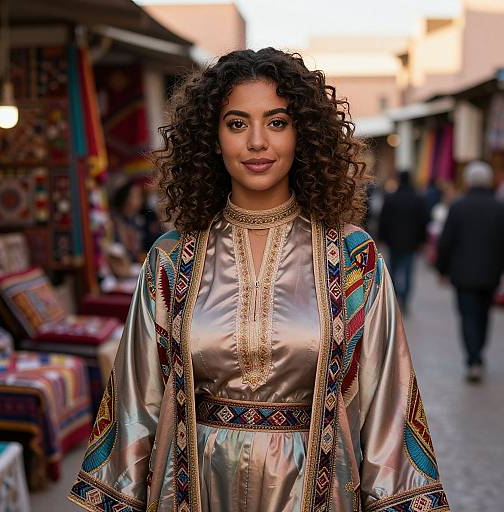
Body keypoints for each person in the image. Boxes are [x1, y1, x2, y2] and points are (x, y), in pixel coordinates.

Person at [69, 49, 449, 512]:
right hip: (195, 489)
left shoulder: (354, 259)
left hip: (318, 492)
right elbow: (135, 398)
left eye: (276, 122)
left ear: (303, 134)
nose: (256, 142)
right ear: (211, 137)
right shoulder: (170, 260)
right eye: (235, 124)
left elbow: (387, 401)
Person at [436, 160, 504, 382]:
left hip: (463, 273)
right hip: (490, 273)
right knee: (484, 315)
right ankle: (478, 354)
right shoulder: (498, 207)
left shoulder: (458, 206)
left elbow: (446, 241)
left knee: (468, 316)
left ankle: (473, 358)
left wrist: (442, 269)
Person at [377, 171, 428, 312]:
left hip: (393, 241)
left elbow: (384, 219)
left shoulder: (391, 198)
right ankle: (404, 298)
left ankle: (394, 296)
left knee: (393, 268)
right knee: (408, 270)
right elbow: (423, 221)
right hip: (411, 242)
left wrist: (382, 238)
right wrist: (422, 241)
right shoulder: (417, 199)